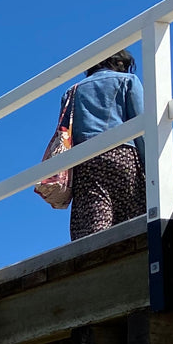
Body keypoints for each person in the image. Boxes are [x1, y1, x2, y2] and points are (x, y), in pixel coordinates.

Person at [67, 51, 145, 241]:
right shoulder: (128, 80)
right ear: (118, 63)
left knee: (95, 222)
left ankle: (97, 259)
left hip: (86, 161)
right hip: (123, 155)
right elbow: (142, 125)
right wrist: (150, 163)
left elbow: (66, 134)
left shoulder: (73, 91)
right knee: (134, 216)